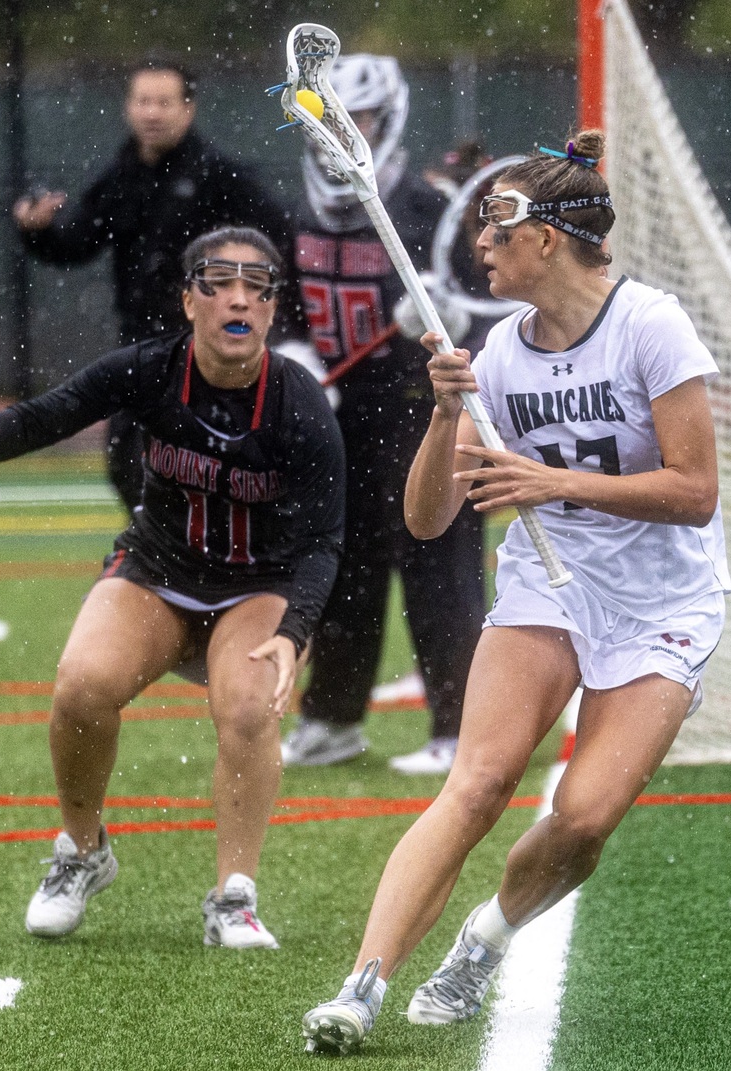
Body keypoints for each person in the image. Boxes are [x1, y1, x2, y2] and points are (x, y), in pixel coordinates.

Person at [299, 131, 729, 1053]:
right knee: (479, 780)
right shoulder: (494, 355)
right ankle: (360, 988)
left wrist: (552, 483)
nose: (479, 244)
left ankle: (485, 935)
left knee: (583, 816)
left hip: (661, 603)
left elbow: (695, 493)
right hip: (549, 590)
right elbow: (425, 518)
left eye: (497, 224)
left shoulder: (650, 325)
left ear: (549, 238)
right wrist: (448, 408)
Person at [0, 226, 345, 949]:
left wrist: (294, 635)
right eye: (218, 282)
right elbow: (48, 413)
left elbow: (325, 541)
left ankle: (234, 896)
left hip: (257, 584)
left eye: (255, 286)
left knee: (248, 705)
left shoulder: (300, 405)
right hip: (158, 570)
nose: (238, 298)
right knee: (81, 682)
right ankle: (82, 851)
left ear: (271, 309)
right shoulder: (148, 369)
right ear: (188, 300)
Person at [277, 55, 484, 776]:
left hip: (423, 410)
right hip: (343, 416)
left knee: (439, 563)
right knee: (342, 565)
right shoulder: (297, 207)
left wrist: (445, 314)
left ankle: (461, 728)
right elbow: (290, 305)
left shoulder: (427, 211)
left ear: (386, 121)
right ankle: (333, 717)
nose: (345, 132)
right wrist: (294, 351)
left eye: (358, 119)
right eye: (333, 118)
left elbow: (486, 307)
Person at [14, 57, 299, 514]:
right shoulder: (121, 175)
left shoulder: (219, 176)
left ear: (188, 109)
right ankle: (162, 557)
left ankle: (207, 559)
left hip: (206, 348)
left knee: (210, 462)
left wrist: (272, 316)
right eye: (143, 101)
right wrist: (38, 230)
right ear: (128, 107)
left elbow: (280, 240)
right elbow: (78, 242)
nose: (152, 113)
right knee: (127, 461)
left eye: (164, 102)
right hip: (141, 346)